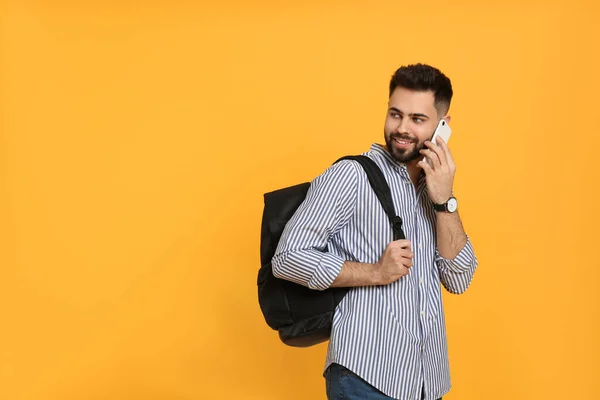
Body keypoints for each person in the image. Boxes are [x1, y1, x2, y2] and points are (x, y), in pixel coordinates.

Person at [271, 63, 478, 400]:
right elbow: (288, 258)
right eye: (395, 114)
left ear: (443, 127)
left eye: (417, 119)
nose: (402, 128)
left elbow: (459, 279)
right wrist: (375, 272)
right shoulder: (350, 177)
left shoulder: (434, 189)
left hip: (427, 382)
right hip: (366, 378)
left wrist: (444, 200)